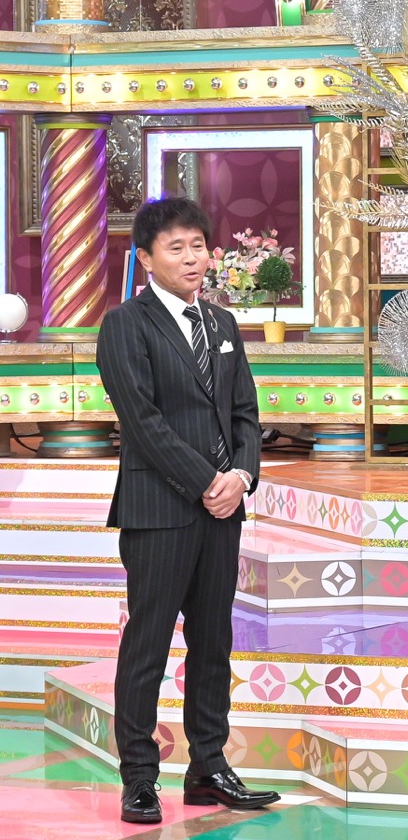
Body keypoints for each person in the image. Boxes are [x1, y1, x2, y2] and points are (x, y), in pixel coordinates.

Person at [96, 198, 278, 824]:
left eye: (199, 245)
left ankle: (208, 768)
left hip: (222, 511)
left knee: (213, 642)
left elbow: (245, 414)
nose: (193, 258)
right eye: (176, 248)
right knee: (147, 644)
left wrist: (241, 477)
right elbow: (141, 421)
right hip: (159, 510)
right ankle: (139, 778)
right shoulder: (125, 324)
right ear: (146, 259)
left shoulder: (222, 324)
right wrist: (207, 481)